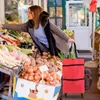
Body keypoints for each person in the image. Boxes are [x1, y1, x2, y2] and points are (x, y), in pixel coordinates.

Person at [0, 5, 74, 56]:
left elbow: (58, 31)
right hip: (48, 49)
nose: (27, 14)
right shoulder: (29, 25)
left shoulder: (45, 22)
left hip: (59, 46)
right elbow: (18, 27)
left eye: (29, 12)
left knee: (63, 65)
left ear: (35, 13)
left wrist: (68, 38)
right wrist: (3, 26)